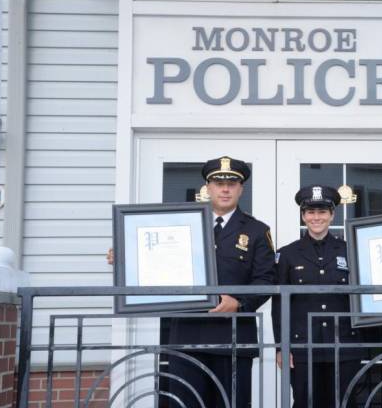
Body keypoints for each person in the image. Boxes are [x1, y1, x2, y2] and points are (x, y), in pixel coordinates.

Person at [108, 156, 276, 408]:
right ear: (207, 188)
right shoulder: (179, 226)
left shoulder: (256, 230)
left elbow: (266, 280)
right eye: (218, 183)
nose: (225, 189)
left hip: (232, 338)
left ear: (241, 188)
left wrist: (239, 303)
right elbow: (155, 261)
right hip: (186, 336)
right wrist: (126, 256)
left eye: (232, 183)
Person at [271, 185, 382, 408]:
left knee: (346, 403)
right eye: (311, 212)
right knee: (305, 403)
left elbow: (368, 294)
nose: (316, 217)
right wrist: (281, 346)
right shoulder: (287, 254)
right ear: (303, 215)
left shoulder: (351, 250)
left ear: (332, 214)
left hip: (345, 344)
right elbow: (279, 306)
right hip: (303, 347)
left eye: (322, 212)